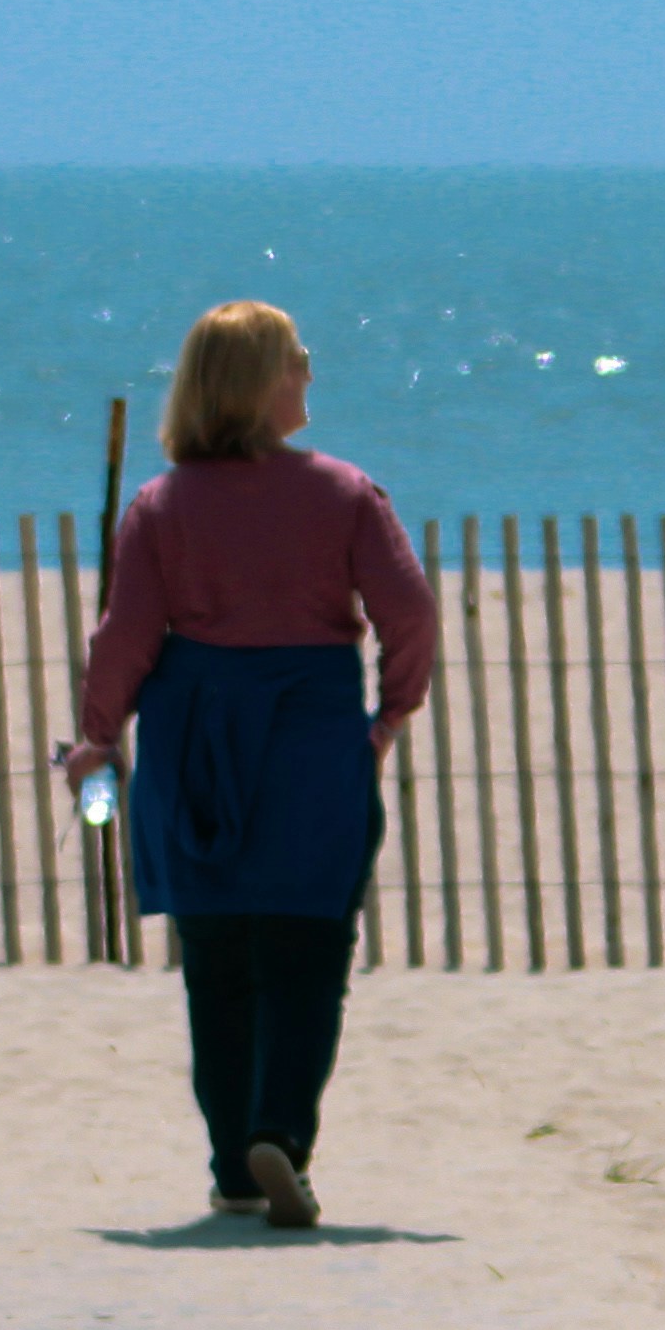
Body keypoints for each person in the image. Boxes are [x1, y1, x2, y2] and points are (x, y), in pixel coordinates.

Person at [64, 301, 435, 1226]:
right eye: (297, 361)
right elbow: (412, 615)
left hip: (195, 736)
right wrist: (390, 715)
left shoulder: (161, 504)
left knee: (217, 960)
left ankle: (234, 1165)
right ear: (261, 383)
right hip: (311, 735)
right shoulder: (345, 494)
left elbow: (124, 638)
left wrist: (98, 740)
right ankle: (281, 1134)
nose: (310, 374)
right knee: (310, 951)